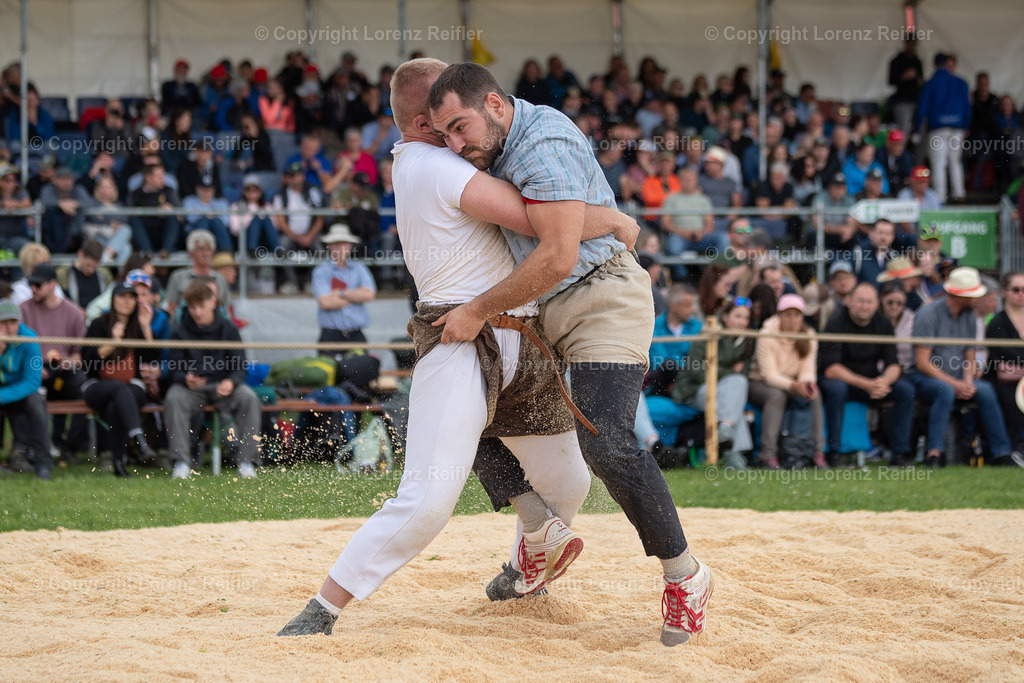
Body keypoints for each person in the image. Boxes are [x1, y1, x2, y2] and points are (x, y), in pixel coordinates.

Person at [279, 58, 637, 637]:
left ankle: (525, 565)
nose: (460, 135)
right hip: (462, 336)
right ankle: (322, 609)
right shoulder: (428, 165)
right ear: (425, 123)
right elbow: (539, 221)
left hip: (521, 334)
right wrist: (614, 218)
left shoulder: (442, 159)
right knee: (426, 501)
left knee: (569, 482)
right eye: (450, 122)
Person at [427, 61, 712, 646]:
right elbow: (555, 229)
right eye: (445, 135)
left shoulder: (543, 140)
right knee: (466, 406)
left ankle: (686, 577)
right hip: (541, 311)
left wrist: (476, 310)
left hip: (601, 296)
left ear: (496, 104)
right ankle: (539, 537)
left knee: (603, 440)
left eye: (461, 127)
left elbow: (557, 257)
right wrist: (606, 217)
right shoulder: (489, 149)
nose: (456, 145)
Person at [908, 267, 1019, 468]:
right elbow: (922, 362)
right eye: (974, 295)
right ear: (960, 296)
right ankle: (935, 452)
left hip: (957, 377)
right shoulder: (928, 313)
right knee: (945, 391)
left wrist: (967, 382)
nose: (978, 299)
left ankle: (1001, 453)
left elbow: (970, 355)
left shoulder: (969, 316)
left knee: (985, 390)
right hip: (924, 377)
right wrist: (956, 384)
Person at [164, 281, 259, 480]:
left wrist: (232, 382)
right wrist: (185, 378)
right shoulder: (179, 331)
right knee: (174, 398)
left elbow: (240, 365)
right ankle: (181, 462)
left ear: (213, 302)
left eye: (202, 306)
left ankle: (246, 461)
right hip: (192, 390)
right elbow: (174, 368)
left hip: (223, 386)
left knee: (249, 397)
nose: (197, 312)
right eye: (192, 307)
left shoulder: (229, 329)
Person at [819, 282, 916, 467]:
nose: (865, 306)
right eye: (860, 301)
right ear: (849, 301)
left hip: (872, 384)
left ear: (877, 304)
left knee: (906, 389)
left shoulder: (883, 324)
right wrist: (867, 384)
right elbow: (831, 369)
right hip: (844, 383)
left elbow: (893, 364)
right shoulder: (835, 324)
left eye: (870, 302)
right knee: (836, 390)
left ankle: (900, 453)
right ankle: (834, 453)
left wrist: (883, 382)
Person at [81, 281, 159, 477]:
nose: (127, 301)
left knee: (119, 400)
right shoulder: (99, 324)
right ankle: (139, 440)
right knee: (119, 390)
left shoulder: (137, 327)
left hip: (129, 387)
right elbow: (87, 362)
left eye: (131, 297)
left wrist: (146, 327)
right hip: (97, 385)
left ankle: (118, 463)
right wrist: (112, 343)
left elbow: (151, 359)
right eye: (122, 296)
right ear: (113, 299)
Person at [671, 297, 755, 469]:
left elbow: (742, 374)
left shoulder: (747, 341)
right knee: (732, 401)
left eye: (745, 318)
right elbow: (696, 371)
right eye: (738, 316)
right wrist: (729, 370)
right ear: (725, 317)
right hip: (694, 390)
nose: (742, 322)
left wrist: (717, 370)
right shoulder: (708, 335)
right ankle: (733, 455)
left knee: (739, 382)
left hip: (723, 390)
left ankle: (725, 429)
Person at [19, 263, 88, 462]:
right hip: (33, 369)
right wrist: (32, 367)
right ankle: (28, 449)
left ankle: (69, 447)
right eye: (31, 284)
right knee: (26, 389)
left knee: (86, 388)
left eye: (38, 285)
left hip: (63, 370)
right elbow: (17, 350)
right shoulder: (23, 310)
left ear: (52, 284)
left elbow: (81, 355)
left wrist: (67, 363)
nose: (33, 289)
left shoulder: (72, 311)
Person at [748, 294, 826, 469]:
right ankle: (768, 454)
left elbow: (808, 369)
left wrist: (806, 385)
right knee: (777, 395)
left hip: (793, 383)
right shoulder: (766, 333)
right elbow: (769, 375)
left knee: (815, 393)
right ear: (779, 315)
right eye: (787, 315)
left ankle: (817, 451)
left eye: (797, 315)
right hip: (760, 382)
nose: (793, 320)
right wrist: (795, 386)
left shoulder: (809, 335)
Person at [0, 299, 51, 479]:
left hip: (20, 394)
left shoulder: (29, 337)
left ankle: (43, 464)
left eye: (13, 322)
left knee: (37, 402)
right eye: (4, 323)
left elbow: (32, 382)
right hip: (5, 392)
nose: (9, 328)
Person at [311, 223, 376, 351]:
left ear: (350, 246)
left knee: (362, 369)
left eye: (344, 244)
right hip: (330, 335)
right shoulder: (321, 271)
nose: (341, 248)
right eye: (336, 244)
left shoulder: (360, 268)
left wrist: (340, 294)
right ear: (329, 246)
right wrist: (356, 296)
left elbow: (369, 295)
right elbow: (325, 303)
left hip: (356, 335)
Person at [916, 53, 971, 203]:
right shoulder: (960, 82)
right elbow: (967, 107)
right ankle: (959, 193)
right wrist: (966, 125)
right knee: (955, 161)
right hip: (957, 128)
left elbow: (923, 108)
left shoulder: (930, 83)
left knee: (938, 163)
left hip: (937, 129)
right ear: (948, 63)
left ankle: (940, 197)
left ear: (934, 64)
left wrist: (916, 128)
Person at [982, 272, 1024, 466]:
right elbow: (1002, 352)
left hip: (1018, 376)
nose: (1021, 294)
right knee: (1012, 400)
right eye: (1016, 290)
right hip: (1003, 380)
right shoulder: (997, 322)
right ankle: (1012, 451)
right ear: (1004, 292)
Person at [163, 230, 230, 318]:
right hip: (185, 326)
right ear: (191, 253)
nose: (205, 253)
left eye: (208, 249)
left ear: (213, 252)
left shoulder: (220, 279)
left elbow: (226, 307)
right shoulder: (178, 277)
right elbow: (171, 306)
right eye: (200, 249)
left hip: (216, 327)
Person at [128, 165, 181, 255]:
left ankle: (165, 252)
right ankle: (148, 253)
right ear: (148, 178)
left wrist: (171, 210)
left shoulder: (169, 191)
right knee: (134, 220)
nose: (163, 180)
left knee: (172, 217)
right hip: (144, 233)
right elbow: (128, 215)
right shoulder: (135, 194)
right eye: (159, 177)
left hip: (163, 232)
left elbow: (181, 216)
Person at [56, 239, 111, 313]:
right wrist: (75, 310)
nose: (91, 270)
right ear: (80, 254)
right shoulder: (63, 274)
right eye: (88, 265)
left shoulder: (104, 275)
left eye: (95, 267)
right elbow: (58, 299)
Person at [229, 175, 279, 253]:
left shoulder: (267, 206)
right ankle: (252, 249)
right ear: (244, 192)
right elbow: (234, 229)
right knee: (256, 219)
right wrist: (252, 218)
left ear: (260, 192)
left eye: (255, 190)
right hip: (246, 239)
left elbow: (274, 227)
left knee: (264, 219)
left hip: (264, 239)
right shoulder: (237, 206)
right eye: (249, 190)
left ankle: (277, 249)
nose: (252, 193)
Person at [182, 181, 232, 251]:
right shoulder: (189, 201)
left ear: (213, 191)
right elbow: (190, 218)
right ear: (197, 189)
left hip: (217, 229)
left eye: (208, 190)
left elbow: (226, 221)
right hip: (196, 228)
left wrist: (211, 217)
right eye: (203, 190)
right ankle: (199, 250)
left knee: (216, 221)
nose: (205, 193)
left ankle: (226, 251)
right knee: (204, 220)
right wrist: (207, 216)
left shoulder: (222, 203)